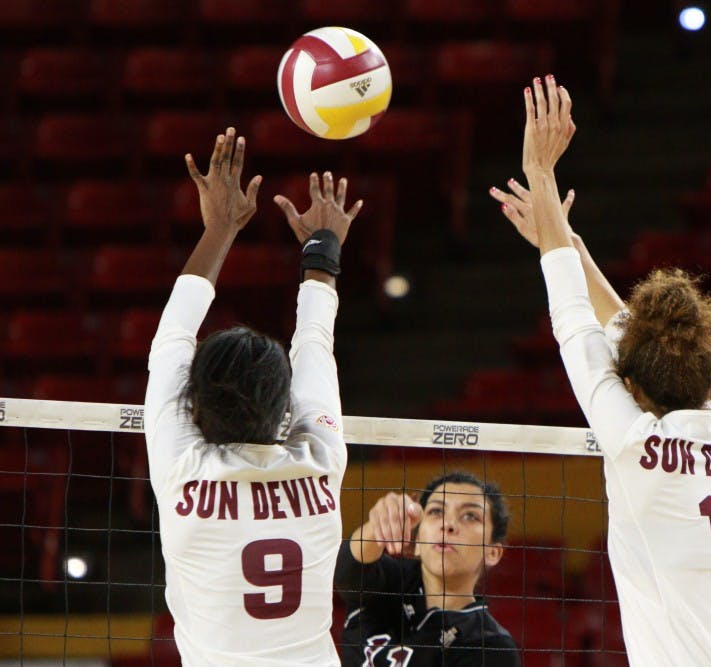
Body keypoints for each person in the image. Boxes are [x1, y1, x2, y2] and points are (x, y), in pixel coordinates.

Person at [489, 76, 711, 666]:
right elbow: (620, 329)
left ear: (633, 386)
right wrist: (563, 242)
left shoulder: (634, 441)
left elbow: (575, 322)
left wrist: (542, 174)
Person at [144, 126, 363, 665]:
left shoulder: (183, 469)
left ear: (193, 407)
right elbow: (314, 345)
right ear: (284, 408)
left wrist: (220, 228)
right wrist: (322, 250)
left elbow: (172, 341)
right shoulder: (319, 461)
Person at [334, 471, 520, 666]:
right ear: (418, 542)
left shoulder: (491, 645)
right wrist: (376, 525)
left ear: (493, 552)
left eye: (470, 516)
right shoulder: (387, 581)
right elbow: (346, 569)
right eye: (436, 511)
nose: (448, 524)